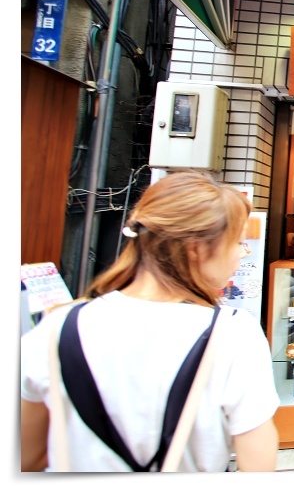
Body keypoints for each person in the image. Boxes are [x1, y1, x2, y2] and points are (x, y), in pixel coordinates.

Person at [20, 170, 280, 472]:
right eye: (237, 242)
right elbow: (258, 467)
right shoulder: (234, 334)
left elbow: (28, 458)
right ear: (196, 248)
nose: (240, 255)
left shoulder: (56, 327)